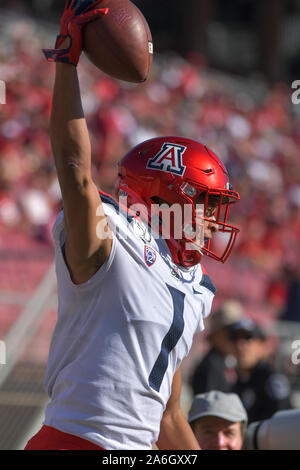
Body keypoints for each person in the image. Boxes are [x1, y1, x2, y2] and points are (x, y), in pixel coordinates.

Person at [24, 0, 240, 450]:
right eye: (204, 203)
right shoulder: (112, 240)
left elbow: (169, 416)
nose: (211, 221)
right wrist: (67, 63)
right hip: (76, 440)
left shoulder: (193, 284)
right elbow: (74, 171)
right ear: (163, 196)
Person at [229, 317, 292, 424]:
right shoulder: (239, 382)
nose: (240, 346)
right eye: (235, 339)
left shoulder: (272, 379)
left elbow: (282, 422)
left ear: (262, 345)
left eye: (248, 338)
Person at [191, 300, 244, 395]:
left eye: (239, 333)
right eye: (230, 332)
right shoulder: (211, 366)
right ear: (216, 335)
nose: (236, 338)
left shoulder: (232, 361)